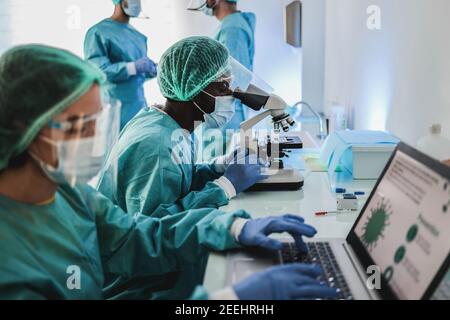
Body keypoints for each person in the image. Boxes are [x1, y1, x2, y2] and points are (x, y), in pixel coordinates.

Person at [0, 44, 338, 301]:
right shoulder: (11, 266)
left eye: (96, 122)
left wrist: (234, 227)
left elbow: (138, 236)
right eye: (79, 125)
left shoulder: (66, 192)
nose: (93, 140)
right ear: (25, 126)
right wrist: (231, 300)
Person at [96, 36, 266, 298]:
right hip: (138, 283)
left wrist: (218, 167)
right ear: (193, 88)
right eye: (222, 88)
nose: (231, 97)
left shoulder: (165, 122)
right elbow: (157, 231)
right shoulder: (155, 145)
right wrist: (225, 187)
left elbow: (177, 178)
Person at [84, 0, 157, 129]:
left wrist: (152, 70)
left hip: (138, 106)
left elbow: (138, 76)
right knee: (113, 147)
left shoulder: (138, 36)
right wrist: (133, 67)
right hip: (113, 109)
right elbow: (98, 72)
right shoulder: (98, 32)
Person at [188, 0, 256, 131]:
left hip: (227, 114)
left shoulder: (233, 28)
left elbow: (232, 78)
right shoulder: (231, 24)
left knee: (224, 150)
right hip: (225, 112)